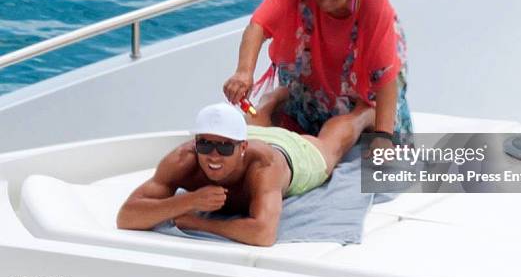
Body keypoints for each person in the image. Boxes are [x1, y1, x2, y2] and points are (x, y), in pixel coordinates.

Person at [223, 0, 412, 139]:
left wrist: (383, 135)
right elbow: (259, 25)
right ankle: (285, 101)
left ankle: (365, 114)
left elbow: (384, 71)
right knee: (303, 103)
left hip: (361, 53)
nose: (325, 4)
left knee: (381, 125)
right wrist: (243, 72)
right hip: (310, 42)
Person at [116, 102, 373, 246]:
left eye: (224, 148)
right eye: (205, 145)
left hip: (292, 154)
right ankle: (270, 103)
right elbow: (126, 217)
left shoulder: (263, 167)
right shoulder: (184, 159)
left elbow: (263, 234)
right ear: (195, 143)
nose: (214, 156)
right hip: (250, 136)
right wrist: (189, 201)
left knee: (330, 147)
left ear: (241, 147)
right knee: (239, 133)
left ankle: (363, 113)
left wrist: (199, 222)